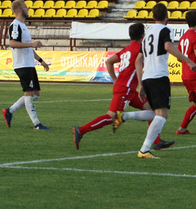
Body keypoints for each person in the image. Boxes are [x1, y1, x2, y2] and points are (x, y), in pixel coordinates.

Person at [72, 23, 174, 151]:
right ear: (143, 35)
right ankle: (81, 130)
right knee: (112, 116)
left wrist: (115, 80)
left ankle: (157, 141)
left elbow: (108, 62)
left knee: (152, 109)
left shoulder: (126, 50)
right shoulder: (140, 48)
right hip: (126, 89)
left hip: (128, 89)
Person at [131, 3, 196, 159]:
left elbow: (138, 60)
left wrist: (140, 83)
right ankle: (144, 149)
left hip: (147, 77)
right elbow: (168, 46)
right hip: (158, 76)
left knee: (155, 114)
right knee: (162, 115)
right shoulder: (166, 30)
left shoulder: (147, 35)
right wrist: (188, 61)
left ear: (153, 16)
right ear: (167, 15)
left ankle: (125, 117)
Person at [1, 0, 50, 130]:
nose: (28, 9)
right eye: (25, 7)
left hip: (29, 64)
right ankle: (36, 124)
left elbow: (28, 47)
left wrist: (41, 61)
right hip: (22, 65)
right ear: (19, 10)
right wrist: (32, 44)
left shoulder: (23, 26)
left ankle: (10, 111)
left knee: (36, 94)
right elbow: (13, 43)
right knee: (29, 93)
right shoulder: (15, 25)